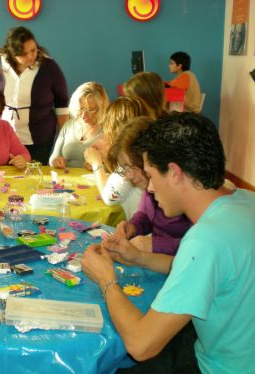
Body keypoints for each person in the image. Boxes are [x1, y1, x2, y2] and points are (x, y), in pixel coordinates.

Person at [82, 112, 255, 373]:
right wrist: (138, 257)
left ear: (174, 172)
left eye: (151, 175)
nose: (149, 188)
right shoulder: (244, 200)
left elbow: (141, 345)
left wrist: (106, 279)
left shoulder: (205, 240)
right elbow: (205, 271)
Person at [0, 26, 69, 165]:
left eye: (33, 50)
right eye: (23, 54)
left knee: (34, 177)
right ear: (12, 54)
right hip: (2, 137)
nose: (30, 56)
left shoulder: (49, 67)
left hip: (39, 138)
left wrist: (64, 141)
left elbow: (62, 105)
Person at [106, 117, 192, 255]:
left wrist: (156, 245)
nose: (128, 176)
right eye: (124, 169)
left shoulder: (184, 194)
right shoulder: (149, 188)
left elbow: (199, 248)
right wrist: (133, 226)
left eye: (131, 167)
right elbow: (145, 215)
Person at [84, 96, 150, 219]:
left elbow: (109, 197)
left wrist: (96, 163)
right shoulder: (141, 154)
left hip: (143, 233)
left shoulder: (132, 164)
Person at [49, 82, 109, 169]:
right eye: (81, 108)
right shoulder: (68, 126)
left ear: (101, 108)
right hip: (67, 180)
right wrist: (55, 161)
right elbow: (53, 159)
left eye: (90, 110)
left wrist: (99, 166)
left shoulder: (108, 129)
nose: (84, 115)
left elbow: (117, 167)